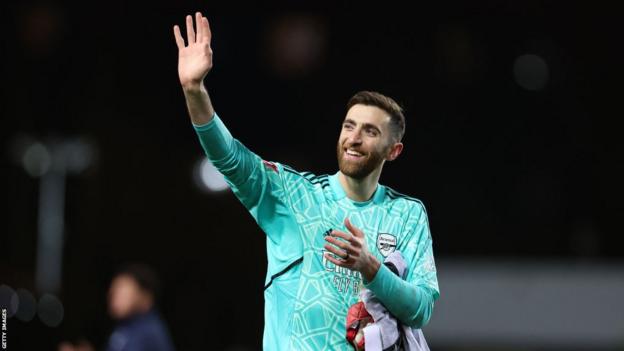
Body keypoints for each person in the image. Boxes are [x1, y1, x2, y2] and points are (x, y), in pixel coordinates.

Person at [173, 12, 439, 350]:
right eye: (349, 126)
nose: (354, 138)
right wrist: (195, 90)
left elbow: (421, 309)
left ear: (394, 151)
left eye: (370, 131)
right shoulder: (296, 194)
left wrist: (371, 267)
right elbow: (229, 158)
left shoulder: (407, 214)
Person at [59, 264, 175, 351]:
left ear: (145, 297)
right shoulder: (125, 326)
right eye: (113, 292)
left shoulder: (148, 331)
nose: (113, 298)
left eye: (122, 292)